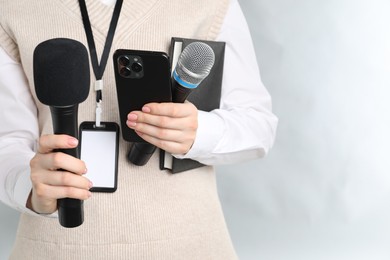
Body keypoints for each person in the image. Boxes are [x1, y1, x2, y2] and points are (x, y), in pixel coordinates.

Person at [0, 0, 278, 259]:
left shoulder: (212, 3)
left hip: (189, 245)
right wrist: (32, 188)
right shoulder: (11, 7)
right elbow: (8, 141)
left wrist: (199, 133)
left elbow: (258, 124)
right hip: (56, 247)